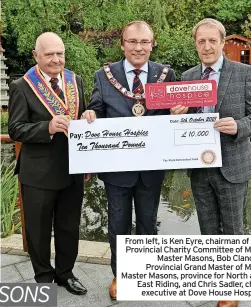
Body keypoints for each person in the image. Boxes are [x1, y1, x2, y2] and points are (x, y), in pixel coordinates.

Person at [171, 18, 251, 307]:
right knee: (208, 227)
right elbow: (181, 127)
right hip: (200, 168)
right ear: (195, 44)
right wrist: (177, 115)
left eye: (213, 40)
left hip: (233, 165)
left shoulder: (244, 72)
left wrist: (238, 126)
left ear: (223, 43)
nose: (207, 46)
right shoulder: (186, 78)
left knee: (234, 228)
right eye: (202, 41)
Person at [82, 20, 176, 300]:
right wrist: (90, 114)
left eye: (144, 42)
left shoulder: (166, 74)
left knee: (148, 223)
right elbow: (96, 108)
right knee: (118, 225)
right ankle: (120, 276)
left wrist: (180, 111)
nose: (138, 47)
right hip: (117, 168)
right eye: (132, 42)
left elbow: (174, 115)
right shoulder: (104, 75)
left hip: (151, 167)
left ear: (153, 43)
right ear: (122, 44)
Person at [8, 32, 87, 295]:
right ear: (36, 56)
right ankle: (43, 277)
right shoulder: (22, 86)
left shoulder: (76, 81)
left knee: (69, 227)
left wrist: (88, 116)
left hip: (73, 170)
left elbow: (81, 127)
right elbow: (16, 129)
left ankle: (66, 273)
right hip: (38, 174)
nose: (55, 59)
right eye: (49, 54)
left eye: (59, 53)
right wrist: (47, 127)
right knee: (39, 231)